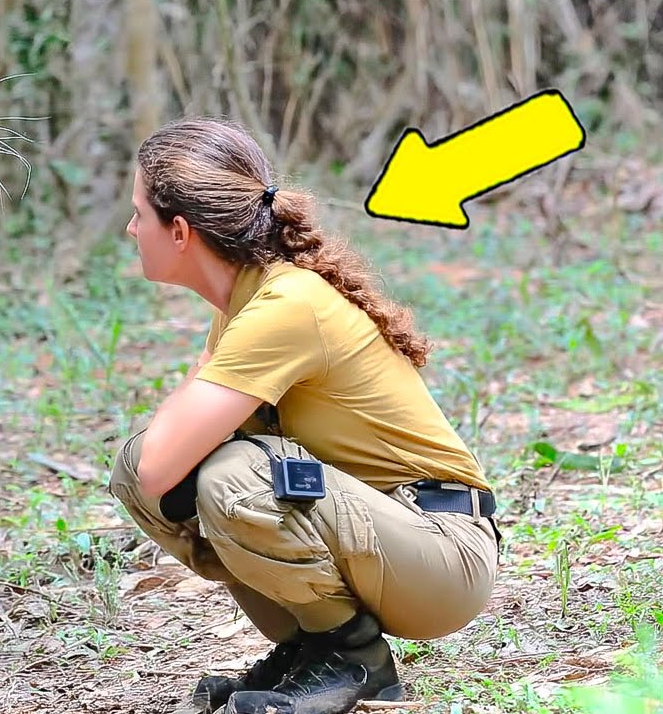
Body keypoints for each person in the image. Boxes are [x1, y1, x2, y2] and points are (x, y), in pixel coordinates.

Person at [108, 117, 502, 714]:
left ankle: (352, 659)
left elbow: (166, 465)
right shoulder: (247, 300)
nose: (130, 228)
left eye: (140, 212)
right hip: (384, 535)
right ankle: (310, 648)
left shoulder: (285, 307)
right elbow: (151, 468)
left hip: (442, 553)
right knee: (142, 465)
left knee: (233, 475)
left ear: (181, 231)